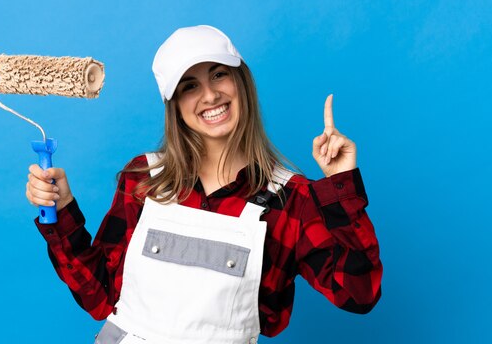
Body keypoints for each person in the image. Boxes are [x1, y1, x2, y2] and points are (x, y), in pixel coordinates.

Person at [26, 25, 382, 343]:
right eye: (190, 86)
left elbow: (359, 293)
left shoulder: (289, 198)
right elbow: (100, 295)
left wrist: (340, 186)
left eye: (219, 75)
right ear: (175, 105)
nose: (210, 96)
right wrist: (61, 211)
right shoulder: (145, 179)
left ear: (241, 83)